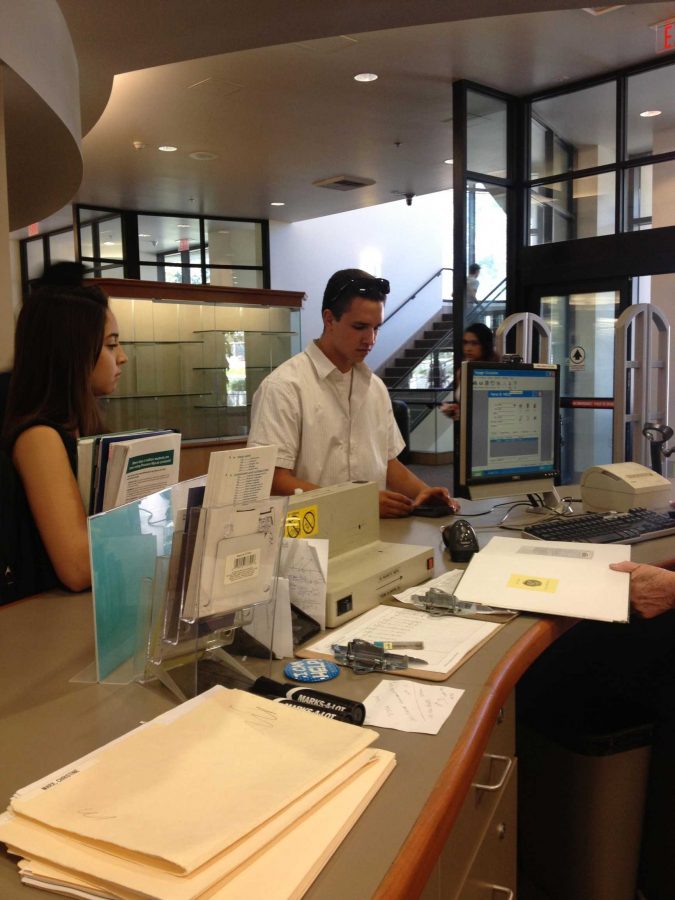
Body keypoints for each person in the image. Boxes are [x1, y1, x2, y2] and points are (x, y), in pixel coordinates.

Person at [247, 268, 460, 518]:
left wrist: (425, 492)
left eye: (376, 328)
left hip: (373, 533)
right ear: (329, 320)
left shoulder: (375, 388)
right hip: (307, 540)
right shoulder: (284, 387)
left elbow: (387, 463)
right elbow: (273, 479)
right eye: (359, 327)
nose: (370, 339)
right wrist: (357, 502)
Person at [1, 271, 127, 603]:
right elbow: (78, 567)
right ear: (74, 353)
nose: (122, 357)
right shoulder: (39, 438)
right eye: (111, 345)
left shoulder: (81, 429)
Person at [440, 321, 498, 420]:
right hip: (468, 430)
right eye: (465, 343)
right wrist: (455, 410)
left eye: (474, 343)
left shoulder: (495, 371)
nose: (468, 348)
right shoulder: (462, 372)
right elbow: (468, 410)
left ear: (485, 345)